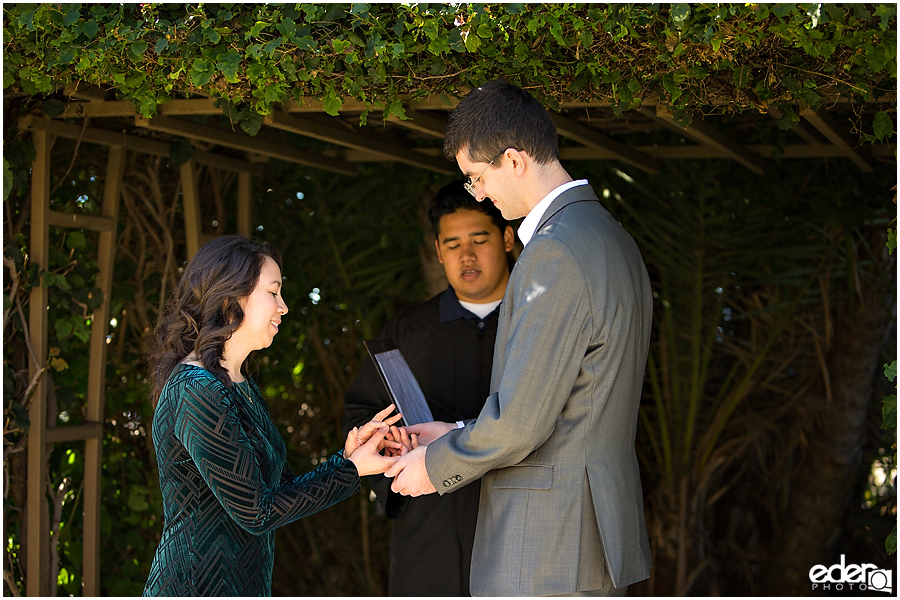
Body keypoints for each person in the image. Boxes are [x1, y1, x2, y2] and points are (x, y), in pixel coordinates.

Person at [385, 80, 654, 596]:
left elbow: (523, 423)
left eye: (476, 177)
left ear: (514, 160)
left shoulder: (555, 252)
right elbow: (569, 398)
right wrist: (456, 429)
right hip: (586, 533)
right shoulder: (609, 237)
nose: (478, 194)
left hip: (548, 545)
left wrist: (433, 467)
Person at [143, 235, 402, 597]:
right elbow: (257, 512)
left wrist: (348, 458)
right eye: (273, 292)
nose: (284, 306)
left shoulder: (239, 383)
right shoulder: (196, 389)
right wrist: (351, 471)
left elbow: (279, 492)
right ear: (232, 297)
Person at [342, 180, 515, 596]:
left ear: (507, 238)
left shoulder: (532, 321)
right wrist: (391, 446)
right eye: (452, 244)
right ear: (438, 251)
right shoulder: (409, 330)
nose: (466, 255)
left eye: (479, 239)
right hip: (428, 529)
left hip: (515, 519)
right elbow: (363, 411)